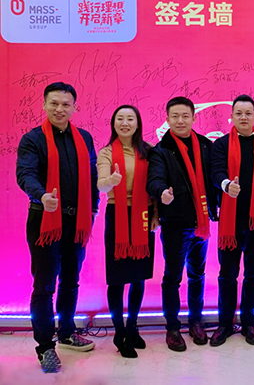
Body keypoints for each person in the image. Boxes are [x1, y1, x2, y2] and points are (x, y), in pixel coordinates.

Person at [16, 82, 99, 373]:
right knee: (44, 286)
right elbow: (25, 173)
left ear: (75, 107)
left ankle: (66, 332)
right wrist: (42, 195)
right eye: (54, 103)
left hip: (77, 222)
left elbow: (92, 175)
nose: (59, 109)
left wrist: (93, 209)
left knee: (71, 280)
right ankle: (45, 347)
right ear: (44, 105)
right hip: (45, 220)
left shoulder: (84, 138)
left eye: (65, 104)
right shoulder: (33, 139)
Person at [147, 96, 219, 352]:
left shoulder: (206, 146)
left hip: (201, 223)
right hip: (175, 224)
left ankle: (196, 322)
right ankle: (172, 327)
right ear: (167, 119)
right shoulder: (161, 150)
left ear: (193, 118)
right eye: (175, 116)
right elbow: (154, 179)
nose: (180, 120)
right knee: (173, 278)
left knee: (198, 275)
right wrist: (161, 192)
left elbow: (215, 177)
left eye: (185, 116)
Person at [210, 94, 254, 347]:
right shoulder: (221, 144)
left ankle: (248, 322)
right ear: (232, 117)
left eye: (248, 113)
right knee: (227, 274)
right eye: (239, 113)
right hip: (231, 220)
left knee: (253, 273)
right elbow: (216, 172)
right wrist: (227, 185)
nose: (243, 117)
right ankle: (225, 323)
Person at [97, 105, 159, 358]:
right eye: (120, 119)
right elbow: (101, 185)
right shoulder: (106, 153)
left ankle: (132, 326)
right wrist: (110, 181)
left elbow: (155, 185)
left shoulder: (149, 151)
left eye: (130, 119)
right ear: (114, 123)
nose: (125, 123)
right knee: (117, 278)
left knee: (138, 276)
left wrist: (156, 215)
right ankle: (119, 331)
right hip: (118, 215)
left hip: (143, 215)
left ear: (137, 123)